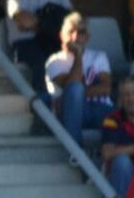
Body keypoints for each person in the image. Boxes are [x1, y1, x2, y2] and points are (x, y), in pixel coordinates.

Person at [2, 0, 71, 92]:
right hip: (26, 43)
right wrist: (52, 22)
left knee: (78, 62)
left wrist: (36, 23)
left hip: (55, 41)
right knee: (41, 66)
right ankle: (41, 111)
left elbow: (71, 23)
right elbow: (22, 21)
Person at [44, 11, 114, 150]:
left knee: (118, 114)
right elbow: (72, 87)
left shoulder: (99, 56)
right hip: (71, 112)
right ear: (61, 35)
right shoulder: (54, 61)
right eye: (71, 31)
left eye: (81, 32)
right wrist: (78, 57)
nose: (76, 36)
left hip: (101, 109)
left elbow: (106, 88)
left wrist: (73, 97)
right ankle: (75, 153)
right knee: (75, 89)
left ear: (87, 37)